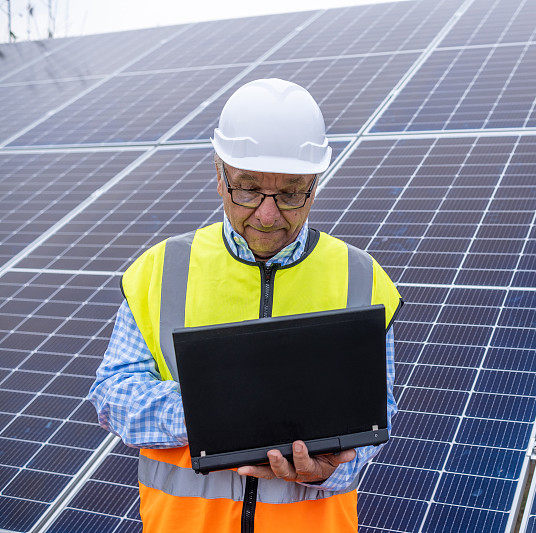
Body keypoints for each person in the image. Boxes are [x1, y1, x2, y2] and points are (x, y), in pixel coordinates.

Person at [89, 78, 402, 533]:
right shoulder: (163, 269)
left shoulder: (362, 278)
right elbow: (113, 393)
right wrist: (218, 410)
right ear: (220, 175)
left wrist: (334, 469)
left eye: (291, 193)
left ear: (315, 184)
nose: (268, 215)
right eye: (248, 189)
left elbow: (377, 415)